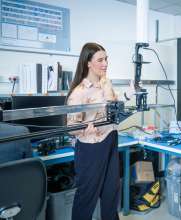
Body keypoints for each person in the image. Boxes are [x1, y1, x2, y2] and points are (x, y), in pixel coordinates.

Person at [66, 42, 120, 220]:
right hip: (91, 148)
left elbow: (114, 110)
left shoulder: (106, 84)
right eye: (100, 60)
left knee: (111, 193)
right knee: (86, 198)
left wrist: (106, 86)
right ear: (88, 63)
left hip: (111, 139)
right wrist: (83, 130)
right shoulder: (79, 92)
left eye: (106, 59)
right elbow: (71, 128)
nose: (105, 63)